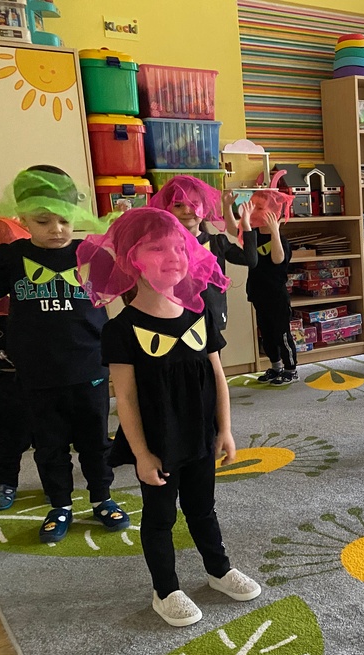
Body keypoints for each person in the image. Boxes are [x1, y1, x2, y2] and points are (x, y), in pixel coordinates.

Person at [82, 207, 261, 627]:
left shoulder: (198, 313)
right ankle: (165, 589)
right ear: (131, 260)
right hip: (160, 440)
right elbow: (126, 398)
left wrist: (225, 429)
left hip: (200, 435)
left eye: (179, 247)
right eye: (157, 249)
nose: (174, 257)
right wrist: (142, 454)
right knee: (161, 517)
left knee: (203, 508)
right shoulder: (121, 329)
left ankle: (218, 570)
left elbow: (218, 376)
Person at [0, 166, 128, 542]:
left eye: (64, 219)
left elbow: (127, 280)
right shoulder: (12, 256)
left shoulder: (89, 252)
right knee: (49, 445)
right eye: (43, 221)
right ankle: (60, 505)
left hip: (89, 367)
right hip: (37, 372)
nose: (56, 229)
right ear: (23, 218)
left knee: (95, 441)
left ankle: (102, 498)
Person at [150, 176, 258, 331]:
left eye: (194, 204)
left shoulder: (217, 242)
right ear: (168, 210)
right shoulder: (165, 246)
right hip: (176, 318)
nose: (187, 211)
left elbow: (251, 260)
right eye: (178, 205)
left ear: (205, 208)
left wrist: (246, 225)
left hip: (212, 318)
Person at [0, 217, 33, 511]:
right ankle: (6, 481)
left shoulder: (27, 287)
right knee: (5, 431)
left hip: (41, 375)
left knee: (49, 432)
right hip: (2, 378)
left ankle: (55, 482)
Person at [249, 210, 298, 384]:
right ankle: (276, 366)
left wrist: (274, 231)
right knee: (267, 334)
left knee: (282, 334)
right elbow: (235, 230)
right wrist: (227, 206)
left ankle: (291, 369)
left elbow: (278, 259)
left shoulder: (281, 241)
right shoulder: (253, 236)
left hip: (277, 297)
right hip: (258, 294)